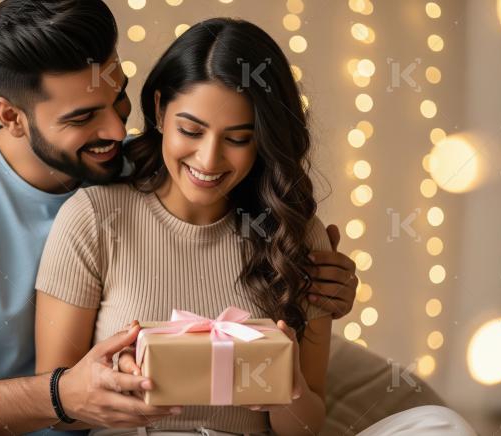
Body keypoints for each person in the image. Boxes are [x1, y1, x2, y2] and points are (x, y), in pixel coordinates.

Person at [0, 2, 358, 435]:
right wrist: (63, 396)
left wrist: (318, 276)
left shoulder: (158, 165)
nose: (115, 130)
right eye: (82, 117)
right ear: (12, 117)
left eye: (118, 97)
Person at [34, 17, 477, 436]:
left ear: (263, 138)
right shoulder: (94, 217)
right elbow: (58, 411)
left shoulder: (294, 235)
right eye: (191, 130)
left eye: (238, 139)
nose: (208, 160)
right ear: (159, 109)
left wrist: (285, 387)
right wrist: (112, 387)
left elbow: (305, 428)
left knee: (440, 424)